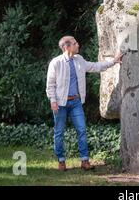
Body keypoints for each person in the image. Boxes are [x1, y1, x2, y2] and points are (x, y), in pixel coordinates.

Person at [46, 35, 123, 171]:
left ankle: (84, 161)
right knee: (59, 132)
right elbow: (50, 85)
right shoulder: (56, 63)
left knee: (81, 130)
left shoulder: (79, 60)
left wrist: (114, 61)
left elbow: (95, 66)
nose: (78, 45)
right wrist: (53, 101)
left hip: (75, 102)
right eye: (75, 43)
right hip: (60, 103)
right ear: (67, 47)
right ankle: (61, 161)